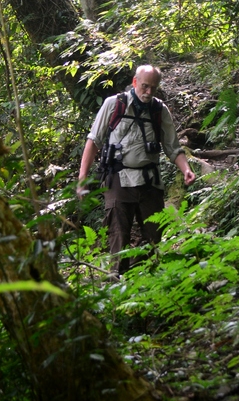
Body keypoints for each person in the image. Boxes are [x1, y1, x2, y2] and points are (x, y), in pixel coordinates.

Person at [76, 65, 196, 273]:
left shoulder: (160, 110)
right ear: (134, 82)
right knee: (118, 233)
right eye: (145, 86)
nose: (148, 92)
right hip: (118, 178)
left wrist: (186, 169)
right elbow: (93, 141)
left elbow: (173, 147)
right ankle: (116, 280)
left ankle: (146, 278)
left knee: (154, 234)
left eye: (153, 88)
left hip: (150, 180)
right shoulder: (114, 104)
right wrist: (82, 178)